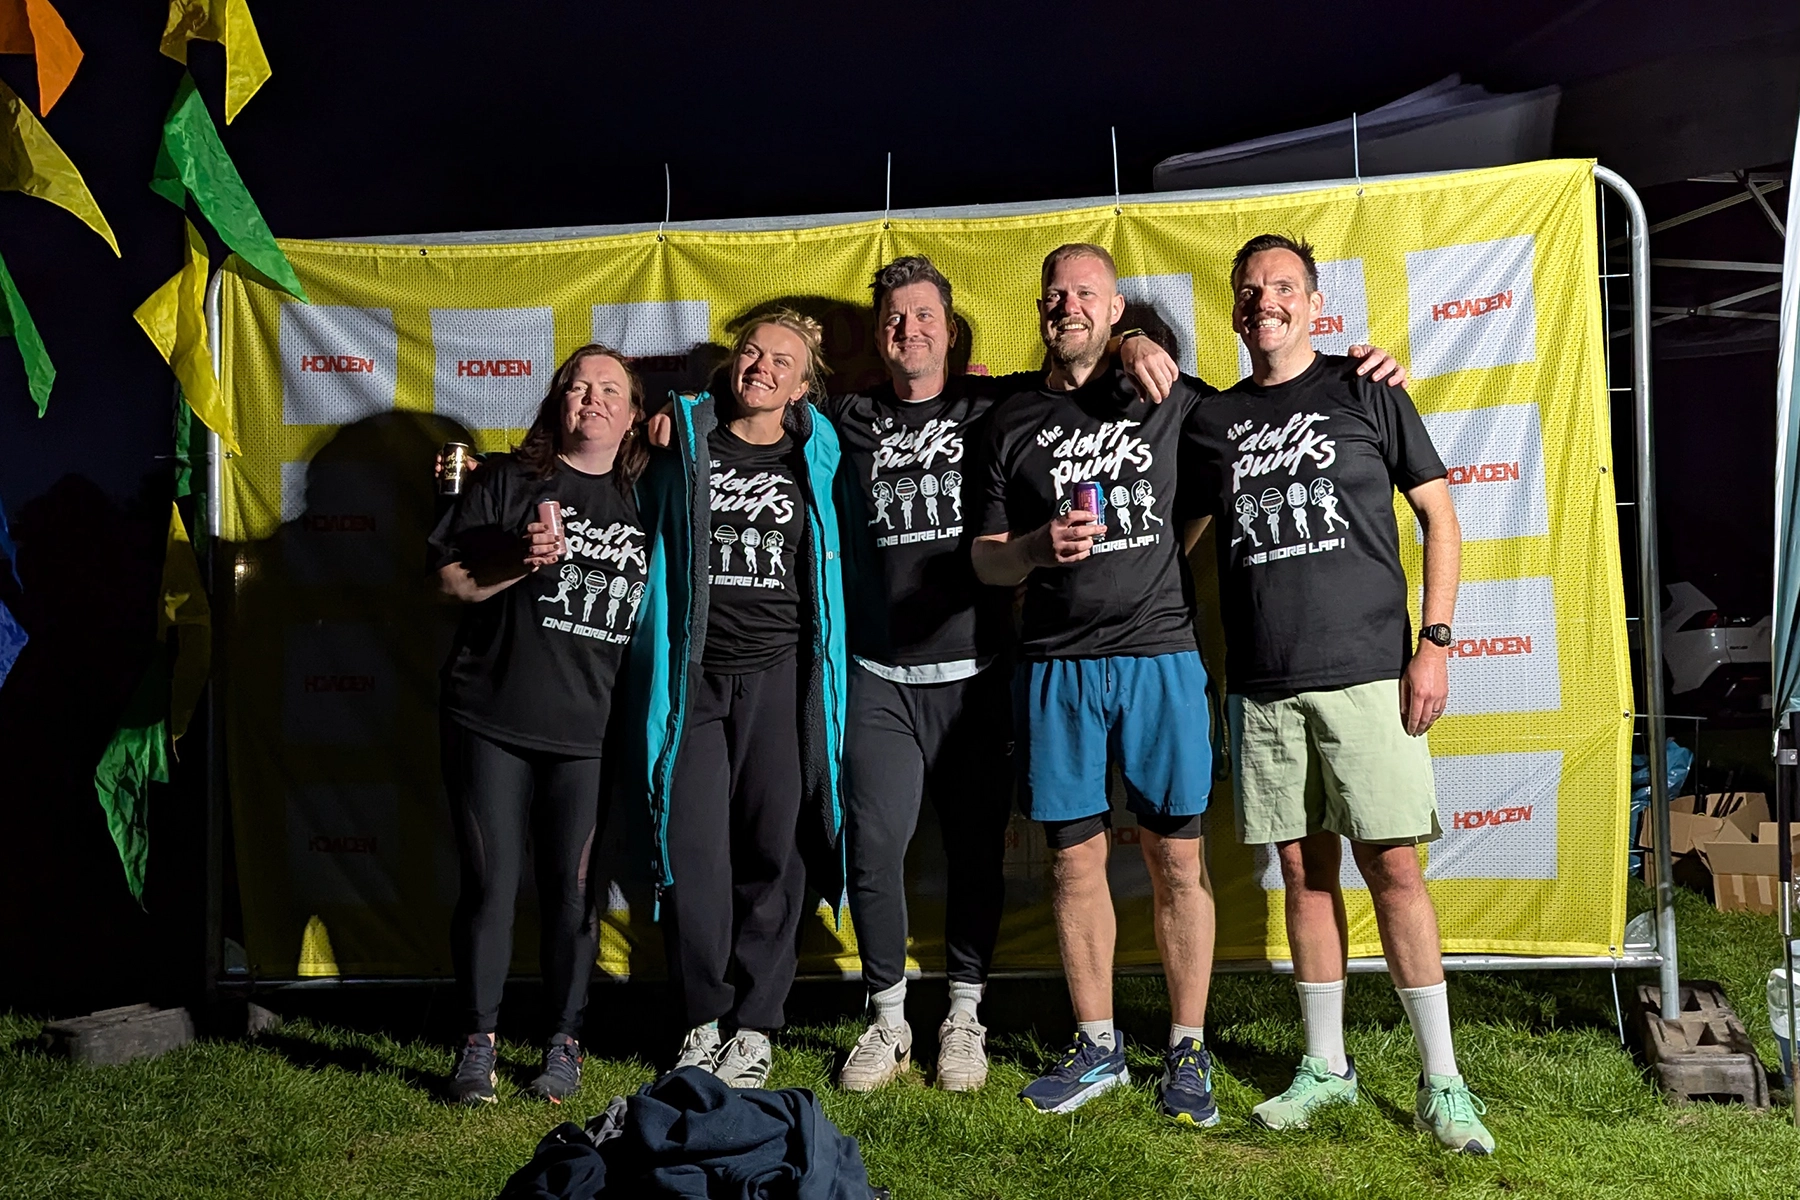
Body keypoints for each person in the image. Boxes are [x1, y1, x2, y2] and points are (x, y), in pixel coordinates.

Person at [825, 257, 1183, 1093]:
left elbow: (1080, 360)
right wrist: (683, 416)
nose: (906, 329)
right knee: (874, 852)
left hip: (978, 669)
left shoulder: (999, 402)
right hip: (879, 673)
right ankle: (886, 1020)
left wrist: (1131, 340)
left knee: (977, 853)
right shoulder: (846, 415)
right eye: (892, 318)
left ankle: (963, 1017)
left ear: (952, 330)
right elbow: (758, 421)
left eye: (922, 315)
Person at [1183, 234, 1493, 1154]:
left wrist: (1433, 645)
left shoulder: (1369, 388)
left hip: (1370, 673)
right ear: (1235, 308)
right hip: (1266, 686)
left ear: (1317, 304)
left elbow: (1439, 514)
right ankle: (1327, 1068)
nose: (1263, 299)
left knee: (1393, 870)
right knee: (1304, 875)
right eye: (1249, 289)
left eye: (1282, 286)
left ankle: (1443, 1080)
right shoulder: (1212, 422)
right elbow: (1181, 537)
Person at [971, 242, 1225, 1124]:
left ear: (1117, 311)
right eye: (1055, 293)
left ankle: (1187, 1052)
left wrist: (1362, 370)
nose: (1067, 304)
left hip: (1159, 657)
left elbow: (1269, 417)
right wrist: (1039, 549)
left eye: (1087, 293)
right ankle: (1099, 1048)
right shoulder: (1008, 419)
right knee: (1075, 865)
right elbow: (985, 559)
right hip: (1054, 665)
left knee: (1177, 860)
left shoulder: (1160, 390)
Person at [629, 309, 847, 1090]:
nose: (761, 366)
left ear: (802, 385)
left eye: (781, 361)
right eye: (751, 352)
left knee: (773, 851)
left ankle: (755, 1026)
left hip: (782, 677)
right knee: (691, 853)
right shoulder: (685, 435)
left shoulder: (818, 449)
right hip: (694, 679)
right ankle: (700, 1021)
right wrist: (653, 426)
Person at [428, 344, 650, 1105]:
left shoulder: (650, 499)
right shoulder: (508, 481)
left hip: (591, 735)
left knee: (574, 894)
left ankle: (563, 1044)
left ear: (632, 416)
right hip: (490, 718)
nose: (590, 398)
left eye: (609, 389)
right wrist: (521, 562)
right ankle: (476, 1045)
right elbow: (448, 581)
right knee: (491, 886)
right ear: (558, 402)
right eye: (577, 386)